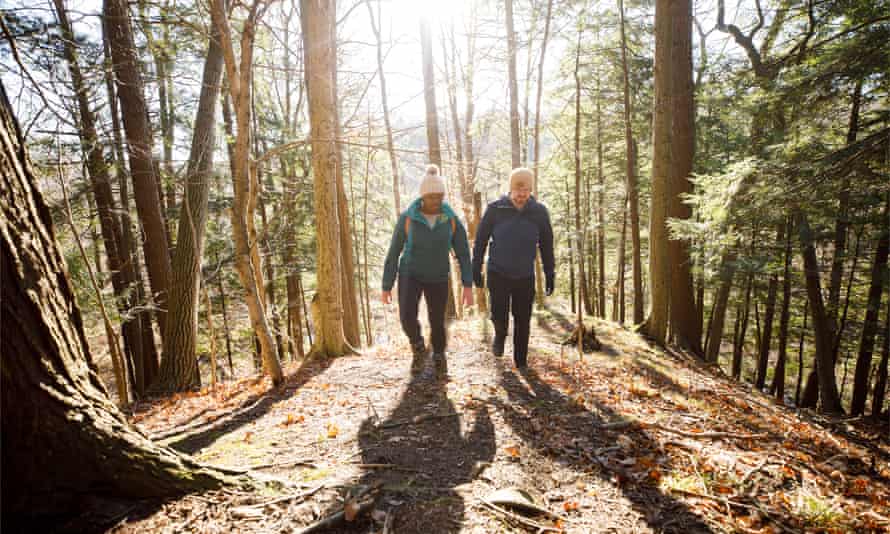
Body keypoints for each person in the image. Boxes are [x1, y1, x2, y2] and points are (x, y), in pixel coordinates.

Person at [382, 164, 474, 362]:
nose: (436, 201)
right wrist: (386, 286)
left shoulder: (450, 219)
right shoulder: (408, 218)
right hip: (410, 273)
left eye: (439, 196)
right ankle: (417, 343)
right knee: (407, 317)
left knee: (438, 320)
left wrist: (467, 285)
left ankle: (439, 354)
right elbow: (393, 252)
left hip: (438, 276)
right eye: (431, 197)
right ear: (422, 196)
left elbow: (464, 254)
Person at [472, 167, 554, 368]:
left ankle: (521, 361)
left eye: (526, 191)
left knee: (523, 319)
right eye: (518, 191)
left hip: (525, 275)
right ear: (510, 189)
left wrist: (550, 272)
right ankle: (500, 335)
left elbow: (546, 244)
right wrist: (476, 267)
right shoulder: (495, 209)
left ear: (531, 190)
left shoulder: (539, 212)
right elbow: (481, 240)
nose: (521, 196)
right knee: (499, 314)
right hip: (498, 272)